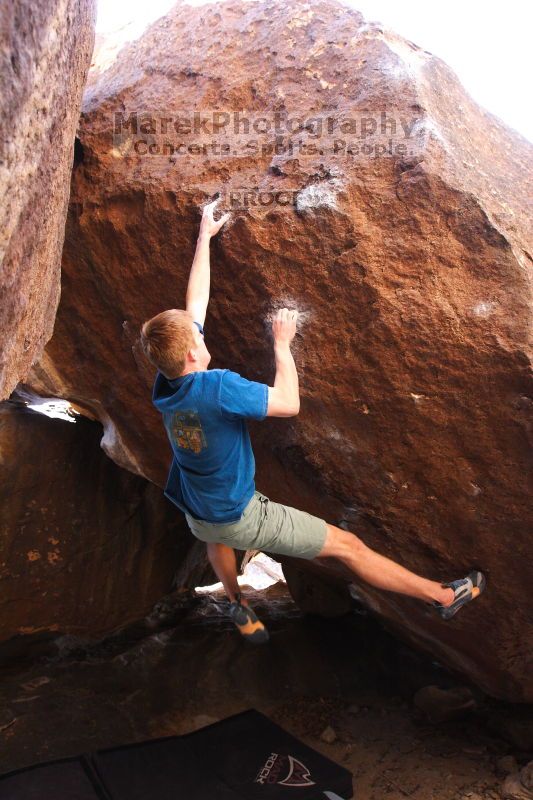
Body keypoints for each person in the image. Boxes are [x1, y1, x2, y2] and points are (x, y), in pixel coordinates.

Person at [141, 198, 486, 644]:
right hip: (238, 513)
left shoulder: (167, 383)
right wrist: (282, 344)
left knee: (213, 536)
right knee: (348, 546)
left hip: (194, 503)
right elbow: (287, 403)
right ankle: (442, 597)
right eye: (195, 334)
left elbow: (196, 304)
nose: (198, 328)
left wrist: (204, 238)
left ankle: (236, 603)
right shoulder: (218, 387)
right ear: (192, 352)